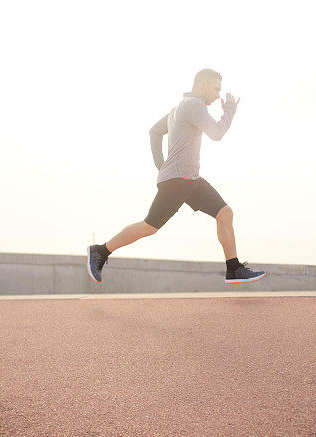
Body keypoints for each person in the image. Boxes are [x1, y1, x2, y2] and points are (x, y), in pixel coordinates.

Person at [86, 68, 266, 285]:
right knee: (149, 226)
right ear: (202, 85)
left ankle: (233, 268)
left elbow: (154, 131)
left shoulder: (179, 108)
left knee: (225, 213)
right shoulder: (193, 105)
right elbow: (216, 133)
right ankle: (100, 251)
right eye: (216, 88)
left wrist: (162, 166)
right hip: (178, 181)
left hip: (189, 180)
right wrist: (230, 111)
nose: (218, 94)